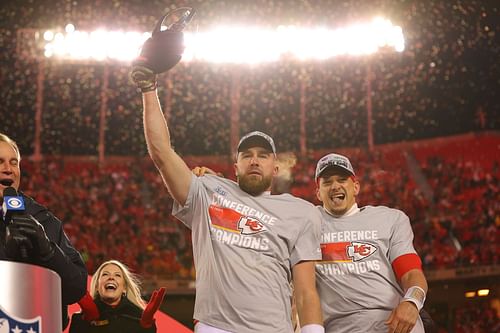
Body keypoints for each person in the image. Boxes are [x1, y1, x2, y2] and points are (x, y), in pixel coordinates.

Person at [130, 34, 324, 332]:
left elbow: (306, 289)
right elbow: (162, 154)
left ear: (275, 167)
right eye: (247, 155)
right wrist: (148, 88)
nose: (254, 160)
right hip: (215, 327)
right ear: (236, 167)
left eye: (262, 155)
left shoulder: (301, 212)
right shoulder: (208, 192)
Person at [314, 153, 429, 333]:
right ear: (318, 193)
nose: (335, 186)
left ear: (356, 187)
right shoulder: (306, 224)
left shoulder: (391, 219)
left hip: (394, 324)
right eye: (327, 182)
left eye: (342, 180)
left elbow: (411, 272)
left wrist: (413, 302)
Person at [0, 132, 87, 330]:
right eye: (0, 161)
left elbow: (76, 288)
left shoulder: (44, 220)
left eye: (14, 163)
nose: (8, 170)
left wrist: (48, 251)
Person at [69, 260, 165, 333]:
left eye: (117, 275)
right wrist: (86, 322)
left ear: (124, 288)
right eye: (105, 274)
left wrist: (147, 327)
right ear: (97, 286)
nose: (111, 277)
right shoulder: (80, 318)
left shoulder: (137, 317)